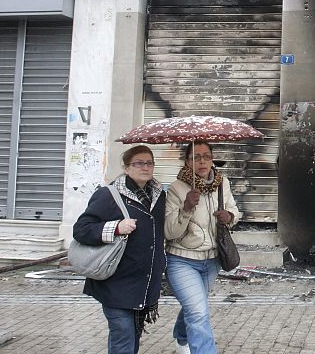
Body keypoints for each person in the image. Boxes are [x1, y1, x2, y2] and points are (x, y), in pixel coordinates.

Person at [73, 145, 166, 354]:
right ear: (126, 167)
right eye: (139, 163)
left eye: (149, 163)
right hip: (116, 282)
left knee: (133, 333)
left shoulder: (160, 196)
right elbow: (81, 230)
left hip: (144, 283)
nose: (145, 167)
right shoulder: (109, 195)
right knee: (123, 334)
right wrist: (116, 227)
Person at [165, 140, 241, 354]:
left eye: (206, 156)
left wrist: (230, 217)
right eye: (195, 157)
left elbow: (235, 210)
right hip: (182, 260)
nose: (202, 161)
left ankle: (181, 336)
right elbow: (170, 232)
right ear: (187, 161)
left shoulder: (221, 182)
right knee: (198, 311)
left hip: (212, 260)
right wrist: (186, 208)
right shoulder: (176, 189)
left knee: (194, 306)